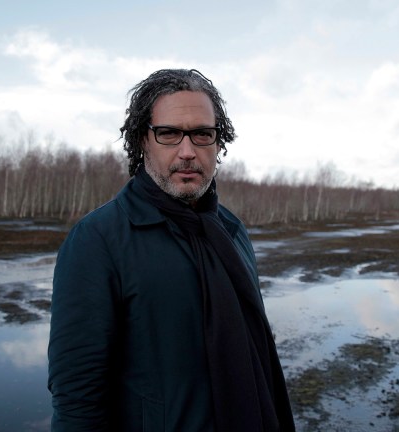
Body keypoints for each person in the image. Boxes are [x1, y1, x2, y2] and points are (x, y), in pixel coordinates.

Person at [47, 68, 295, 431]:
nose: (187, 151)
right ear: (142, 141)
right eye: (169, 133)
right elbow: (77, 395)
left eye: (202, 134)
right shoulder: (98, 240)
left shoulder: (232, 231)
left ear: (217, 142)